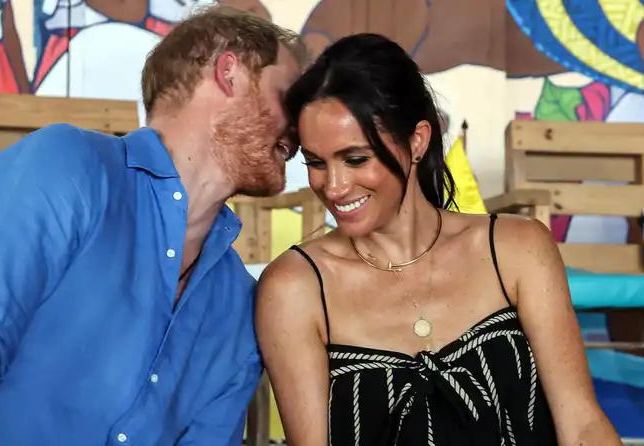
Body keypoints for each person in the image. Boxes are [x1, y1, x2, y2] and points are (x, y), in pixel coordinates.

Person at [0, 5, 307, 446]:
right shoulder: (64, 164)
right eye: (289, 96)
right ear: (230, 72)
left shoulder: (237, 303)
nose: (301, 127)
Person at [256, 33, 622, 445]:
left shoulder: (517, 249)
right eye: (317, 163)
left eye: (356, 158)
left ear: (417, 140)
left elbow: (582, 425)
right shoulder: (294, 288)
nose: (335, 187)